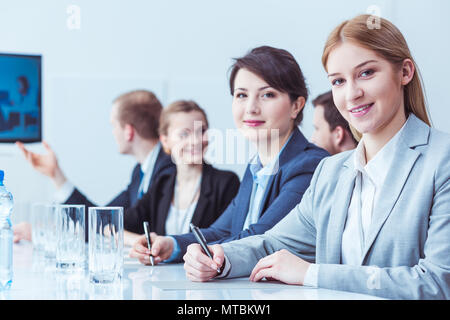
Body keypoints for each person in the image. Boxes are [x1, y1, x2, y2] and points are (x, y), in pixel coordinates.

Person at [182, 15, 450, 300]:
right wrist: (219, 258)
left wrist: (311, 273)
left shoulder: (441, 161)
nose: (352, 94)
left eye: (367, 73)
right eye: (338, 81)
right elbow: (272, 244)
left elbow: (437, 282)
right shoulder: (331, 172)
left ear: (405, 72)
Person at [129, 46, 329, 265]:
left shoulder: (309, 165)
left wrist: (200, 253)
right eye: (241, 95)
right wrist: (171, 244)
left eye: (267, 95)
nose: (251, 108)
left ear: (296, 106)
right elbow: (220, 230)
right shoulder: (256, 167)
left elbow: (260, 238)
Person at [14, 90, 175, 244]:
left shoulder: (168, 168)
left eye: (113, 125)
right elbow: (100, 218)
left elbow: (108, 224)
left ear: (128, 131)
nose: (112, 132)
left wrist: (45, 233)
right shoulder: (140, 172)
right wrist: (56, 175)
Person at [123, 100, 240, 238]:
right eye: (184, 134)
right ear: (165, 141)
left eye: (201, 131)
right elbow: (114, 226)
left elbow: (226, 237)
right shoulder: (162, 184)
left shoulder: (226, 183)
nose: (195, 141)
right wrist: (140, 242)